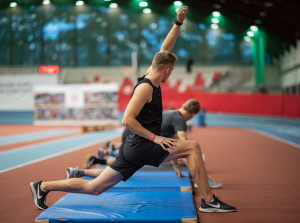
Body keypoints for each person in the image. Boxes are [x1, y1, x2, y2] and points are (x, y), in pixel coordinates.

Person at [30, 7, 236, 213]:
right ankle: (208, 200)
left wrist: (178, 23)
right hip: (141, 146)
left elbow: (165, 50)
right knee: (193, 147)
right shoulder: (145, 88)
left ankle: (43, 186)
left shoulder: (152, 76)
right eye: (170, 71)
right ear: (167, 70)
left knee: (95, 187)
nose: (170, 75)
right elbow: (127, 119)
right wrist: (155, 138)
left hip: (133, 147)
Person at [79, 99, 222, 189]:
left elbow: (176, 146)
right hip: (136, 139)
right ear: (193, 115)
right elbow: (185, 144)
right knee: (193, 152)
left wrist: (177, 167)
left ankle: (89, 165)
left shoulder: (172, 114)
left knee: (120, 169)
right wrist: (192, 168)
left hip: (132, 135)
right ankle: (202, 181)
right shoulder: (179, 120)